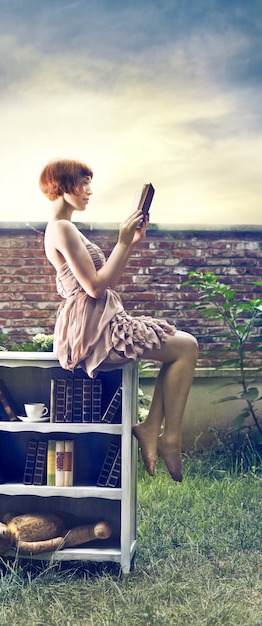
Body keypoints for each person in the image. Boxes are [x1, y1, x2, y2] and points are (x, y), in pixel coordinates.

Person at [40, 158, 198, 482]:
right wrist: (122, 241)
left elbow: (105, 282)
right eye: (83, 183)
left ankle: (154, 427)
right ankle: (168, 438)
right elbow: (95, 288)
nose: (89, 191)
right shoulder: (62, 228)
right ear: (63, 185)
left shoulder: (63, 228)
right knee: (186, 347)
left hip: (101, 321)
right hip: (97, 330)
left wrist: (130, 243)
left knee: (183, 348)